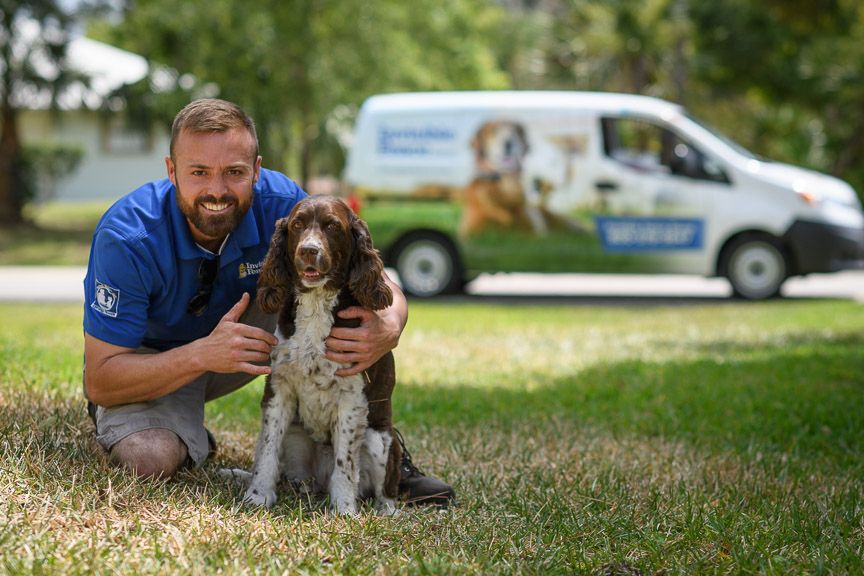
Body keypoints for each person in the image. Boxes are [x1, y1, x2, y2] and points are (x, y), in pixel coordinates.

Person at [83, 98, 454, 508]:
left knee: (344, 305)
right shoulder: (127, 237)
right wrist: (203, 354)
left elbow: (375, 278)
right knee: (149, 459)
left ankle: (382, 458)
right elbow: (100, 379)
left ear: (257, 170)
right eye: (199, 172)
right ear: (172, 171)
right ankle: (168, 429)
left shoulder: (284, 204)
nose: (217, 190)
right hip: (157, 360)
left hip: (247, 343)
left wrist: (389, 325)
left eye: (235, 172)